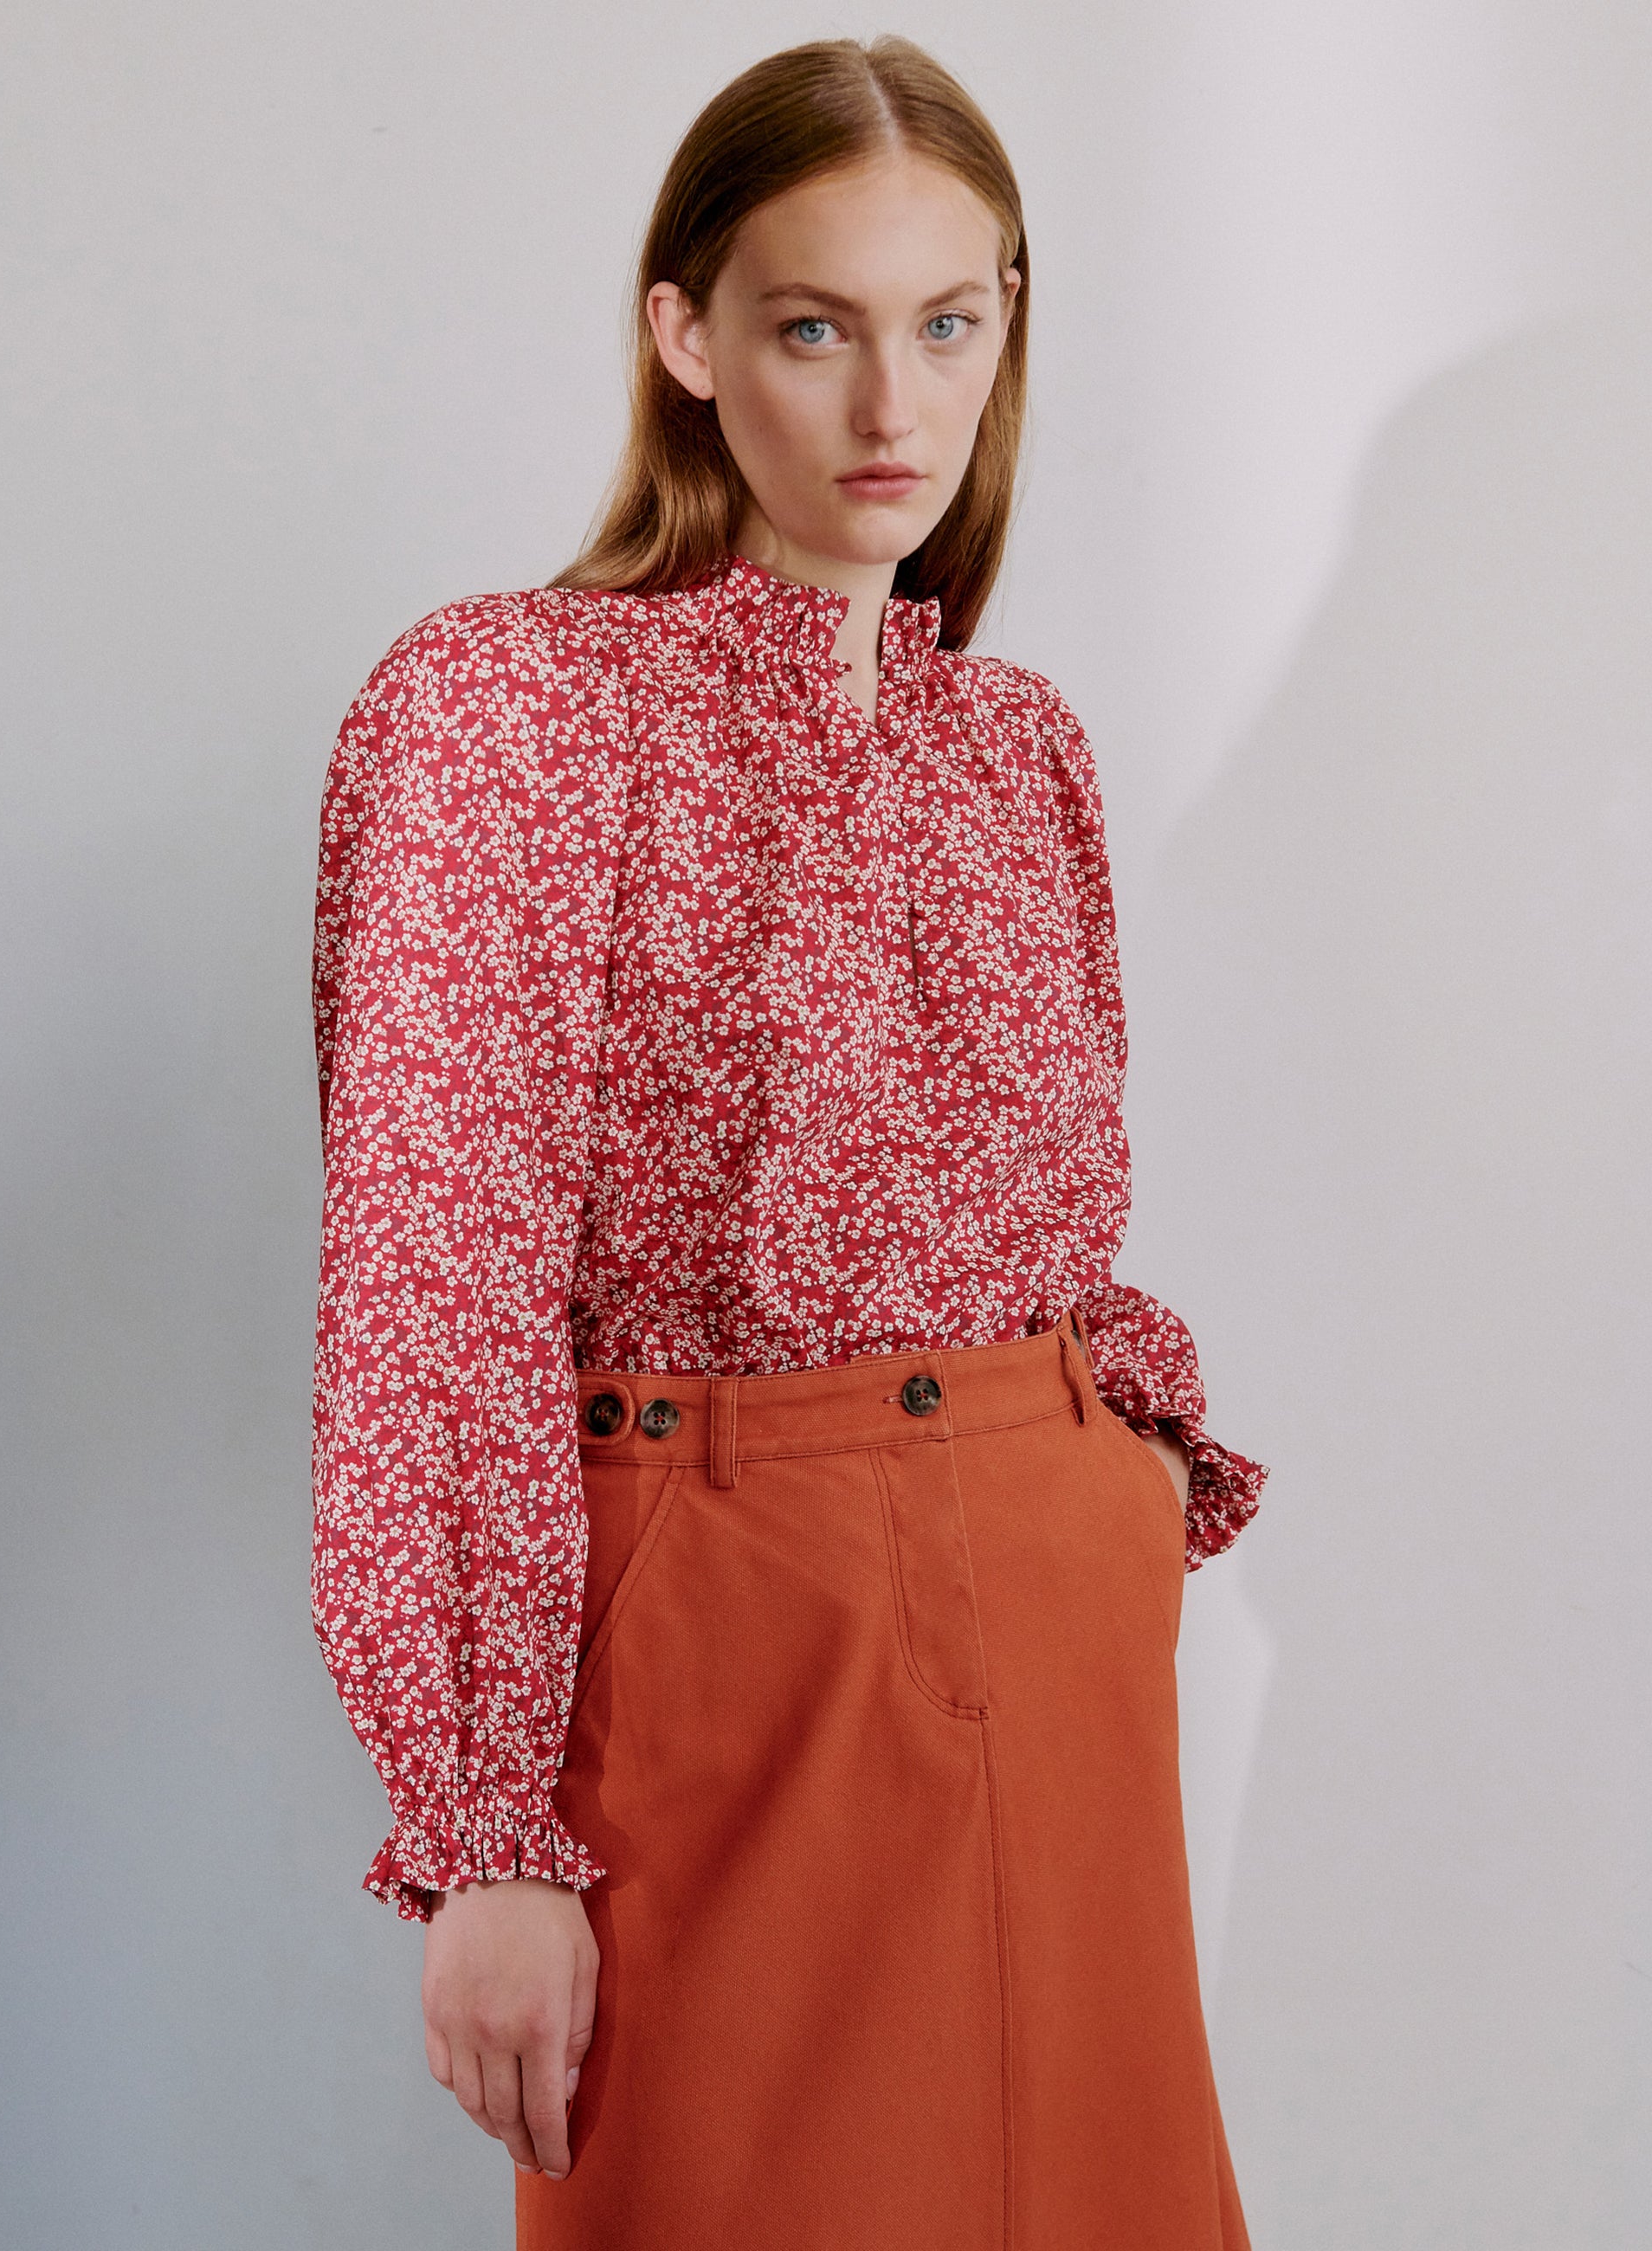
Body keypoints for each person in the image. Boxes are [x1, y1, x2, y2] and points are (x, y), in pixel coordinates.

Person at [312, 35, 1266, 2251]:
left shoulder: (1016, 744)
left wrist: (1119, 1468)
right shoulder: (510, 708)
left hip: (1054, 1607)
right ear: (686, 335)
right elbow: (431, 1280)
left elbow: (1059, 1208)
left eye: (947, 323)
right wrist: (484, 1836)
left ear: (1009, 317)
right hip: (724, 1646)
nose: (889, 413)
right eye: (812, 326)